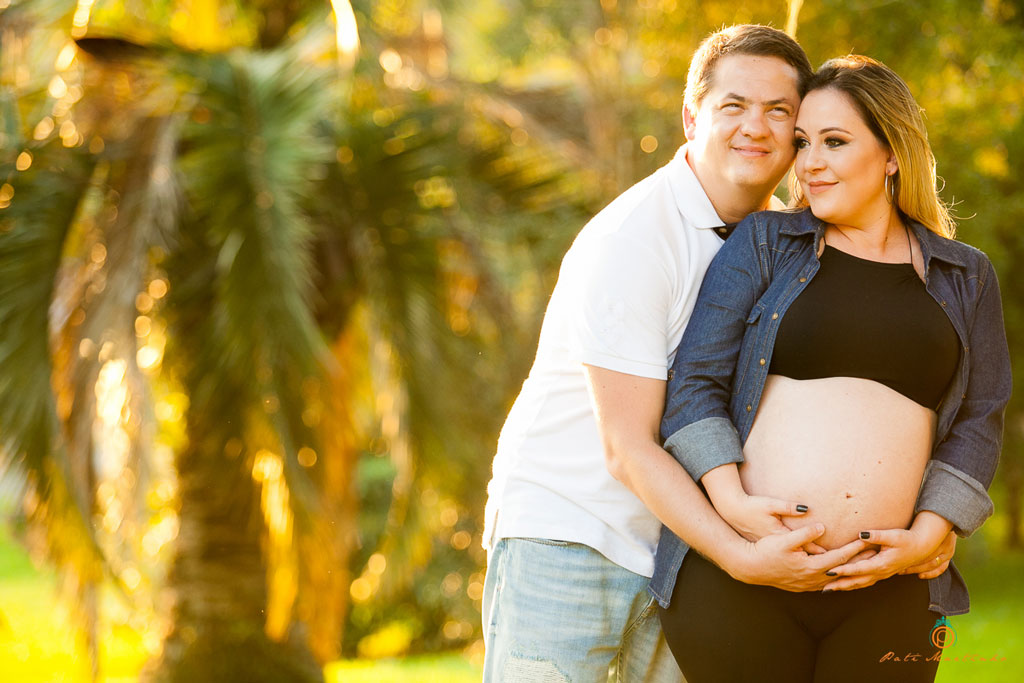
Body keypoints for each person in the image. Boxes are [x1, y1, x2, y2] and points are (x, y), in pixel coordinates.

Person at [481, 26, 944, 683]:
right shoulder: (636, 238)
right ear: (691, 116)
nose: (755, 126)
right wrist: (738, 555)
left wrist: (934, 524)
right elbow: (627, 446)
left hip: (681, 555)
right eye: (733, 106)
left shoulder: (789, 246)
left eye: (778, 111)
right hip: (574, 540)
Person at [654, 55, 1011, 683]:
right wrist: (735, 509)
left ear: (893, 151)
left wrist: (930, 533)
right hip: (743, 577)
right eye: (802, 143)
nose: (809, 162)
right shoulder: (765, 242)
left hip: (887, 582)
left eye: (835, 142)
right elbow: (694, 385)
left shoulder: (965, 276)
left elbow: (980, 418)